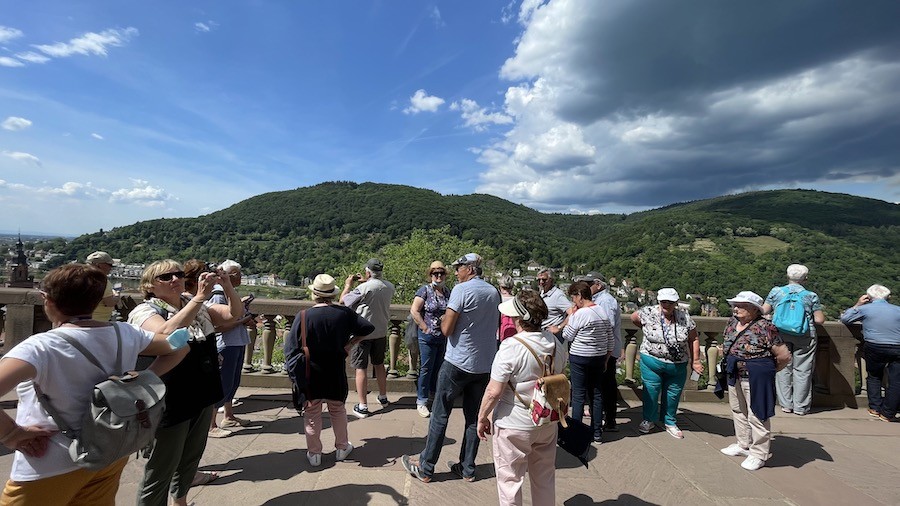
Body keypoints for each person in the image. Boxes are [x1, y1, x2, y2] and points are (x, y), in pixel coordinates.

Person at [0, 264, 187, 505]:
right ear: (99, 300)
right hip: (110, 450)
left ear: (46, 299)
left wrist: (11, 433)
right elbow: (179, 346)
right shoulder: (126, 333)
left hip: (49, 460)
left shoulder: (40, 347)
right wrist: (144, 378)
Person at [127, 259, 242, 506]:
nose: (175, 279)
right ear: (149, 285)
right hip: (169, 398)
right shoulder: (145, 311)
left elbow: (234, 314)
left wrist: (227, 285)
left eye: (178, 274)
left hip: (201, 392)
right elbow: (168, 334)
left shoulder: (193, 304)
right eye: (166, 277)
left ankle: (180, 501)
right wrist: (199, 297)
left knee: (190, 456)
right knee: (162, 465)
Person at [402, 253, 501, 483]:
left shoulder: (460, 290)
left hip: (458, 362)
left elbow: (446, 329)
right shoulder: (493, 292)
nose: (455, 272)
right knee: (475, 417)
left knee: (440, 414)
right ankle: (467, 468)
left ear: (470, 269)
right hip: (484, 364)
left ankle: (426, 467)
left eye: (459, 268)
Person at [476, 290, 568, 506]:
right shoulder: (554, 342)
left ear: (519, 319)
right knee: (544, 478)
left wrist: (482, 417)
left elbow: (493, 392)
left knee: (510, 481)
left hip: (513, 422)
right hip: (546, 420)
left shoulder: (511, 347)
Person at [286, 274, 375, 467]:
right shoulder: (343, 313)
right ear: (332, 294)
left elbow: (291, 349)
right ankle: (342, 447)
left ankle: (314, 453)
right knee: (337, 409)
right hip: (335, 368)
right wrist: (350, 344)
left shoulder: (303, 316)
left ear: (314, 295)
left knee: (312, 412)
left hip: (311, 371)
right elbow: (368, 327)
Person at [719, 291, 790, 471]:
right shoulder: (732, 322)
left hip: (756, 376)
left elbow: (783, 356)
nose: (736, 308)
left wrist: (768, 371)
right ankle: (743, 444)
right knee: (738, 410)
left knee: (758, 415)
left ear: (754, 309)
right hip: (734, 373)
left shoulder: (766, 327)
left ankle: (759, 454)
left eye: (741, 305)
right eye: (735, 304)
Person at [630, 288, 703, 438]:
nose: (666, 304)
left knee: (673, 393)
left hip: (677, 363)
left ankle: (670, 421)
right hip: (652, 359)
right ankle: (648, 420)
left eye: (670, 302)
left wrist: (696, 361)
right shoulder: (648, 312)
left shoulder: (684, 317)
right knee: (651, 390)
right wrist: (647, 329)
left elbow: (694, 338)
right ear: (659, 301)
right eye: (663, 301)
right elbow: (634, 318)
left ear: (676, 302)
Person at [549, 281, 613, 442]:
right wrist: (605, 359)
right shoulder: (602, 312)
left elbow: (567, 336)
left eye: (573, 298)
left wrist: (572, 317)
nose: (573, 302)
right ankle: (597, 432)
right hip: (598, 357)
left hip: (580, 357)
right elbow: (610, 339)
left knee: (578, 395)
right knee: (596, 394)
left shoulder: (579, 314)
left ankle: (576, 433)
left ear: (579, 296)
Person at [763, 264, 826, 416]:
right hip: (804, 334)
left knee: (783, 366)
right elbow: (819, 320)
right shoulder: (810, 296)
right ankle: (801, 407)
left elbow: (764, 310)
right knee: (803, 370)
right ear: (805, 278)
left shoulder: (776, 292)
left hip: (780, 333)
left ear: (787, 276)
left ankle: (786, 404)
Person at [340, 258, 396, 419]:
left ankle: (363, 406)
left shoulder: (363, 288)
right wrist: (367, 281)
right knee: (379, 365)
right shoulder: (389, 287)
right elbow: (376, 289)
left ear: (367, 271)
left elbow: (343, 301)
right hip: (381, 332)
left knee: (361, 368)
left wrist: (348, 285)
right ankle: (383, 397)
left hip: (362, 334)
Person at [840, 284, 900, 422]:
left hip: (875, 346)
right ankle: (888, 413)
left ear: (868, 297)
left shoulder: (865, 309)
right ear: (889, 297)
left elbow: (845, 319)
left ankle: (875, 408)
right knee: (896, 381)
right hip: (897, 347)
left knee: (874, 376)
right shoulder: (897, 310)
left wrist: (858, 304)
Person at [209, 260, 254, 431]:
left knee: (233, 382)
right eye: (236, 273)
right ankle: (211, 425)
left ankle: (228, 416)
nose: (240, 277)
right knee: (224, 383)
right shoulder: (219, 295)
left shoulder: (229, 293)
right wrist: (243, 320)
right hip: (227, 344)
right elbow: (218, 326)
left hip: (236, 342)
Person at [579, 272, 623, 432]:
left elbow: (607, 327)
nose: (585, 286)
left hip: (605, 352)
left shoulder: (605, 301)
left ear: (599, 285)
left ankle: (609, 420)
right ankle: (600, 416)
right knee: (600, 385)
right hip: (603, 350)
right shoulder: (599, 300)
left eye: (588, 284)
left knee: (606, 386)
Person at [409, 261, 451, 418]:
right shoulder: (424, 290)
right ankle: (422, 400)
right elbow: (414, 310)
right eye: (435, 273)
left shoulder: (448, 291)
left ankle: (433, 397)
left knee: (438, 368)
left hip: (443, 336)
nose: (438, 276)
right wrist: (424, 327)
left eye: (441, 273)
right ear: (430, 275)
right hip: (427, 336)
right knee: (426, 368)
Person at [86, 251, 119, 322]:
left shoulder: (79, 278)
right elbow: (109, 303)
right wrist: (116, 296)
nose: (111, 268)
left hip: (78, 321)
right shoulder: (101, 281)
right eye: (110, 265)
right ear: (99, 265)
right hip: (98, 321)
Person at [536, 269, 570, 336]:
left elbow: (572, 313)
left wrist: (559, 327)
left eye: (544, 280)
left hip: (554, 336)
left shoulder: (558, 295)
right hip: (543, 333)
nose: (541, 282)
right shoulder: (542, 293)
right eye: (539, 280)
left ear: (551, 280)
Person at [498, 275, 517, 342]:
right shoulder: (516, 301)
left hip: (499, 334)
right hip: (514, 334)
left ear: (500, 286)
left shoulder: (497, 299)